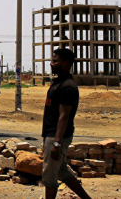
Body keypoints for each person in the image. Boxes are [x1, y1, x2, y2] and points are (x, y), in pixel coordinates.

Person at [42, 48, 91, 199]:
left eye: (55, 61)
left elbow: (64, 116)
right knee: (62, 170)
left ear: (66, 63)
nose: (51, 64)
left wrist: (56, 142)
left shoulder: (68, 87)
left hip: (57, 136)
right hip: (53, 134)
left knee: (49, 177)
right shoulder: (59, 83)